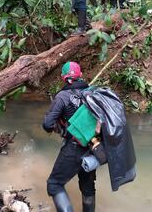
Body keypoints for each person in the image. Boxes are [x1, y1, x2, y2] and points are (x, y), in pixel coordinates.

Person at [43, 62, 96, 211]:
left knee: (54, 184)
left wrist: (62, 129)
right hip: (93, 147)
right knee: (88, 188)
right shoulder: (92, 93)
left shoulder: (63, 96)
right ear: (80, 76)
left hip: (74, 148)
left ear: (63, 77)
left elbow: (47, 124)